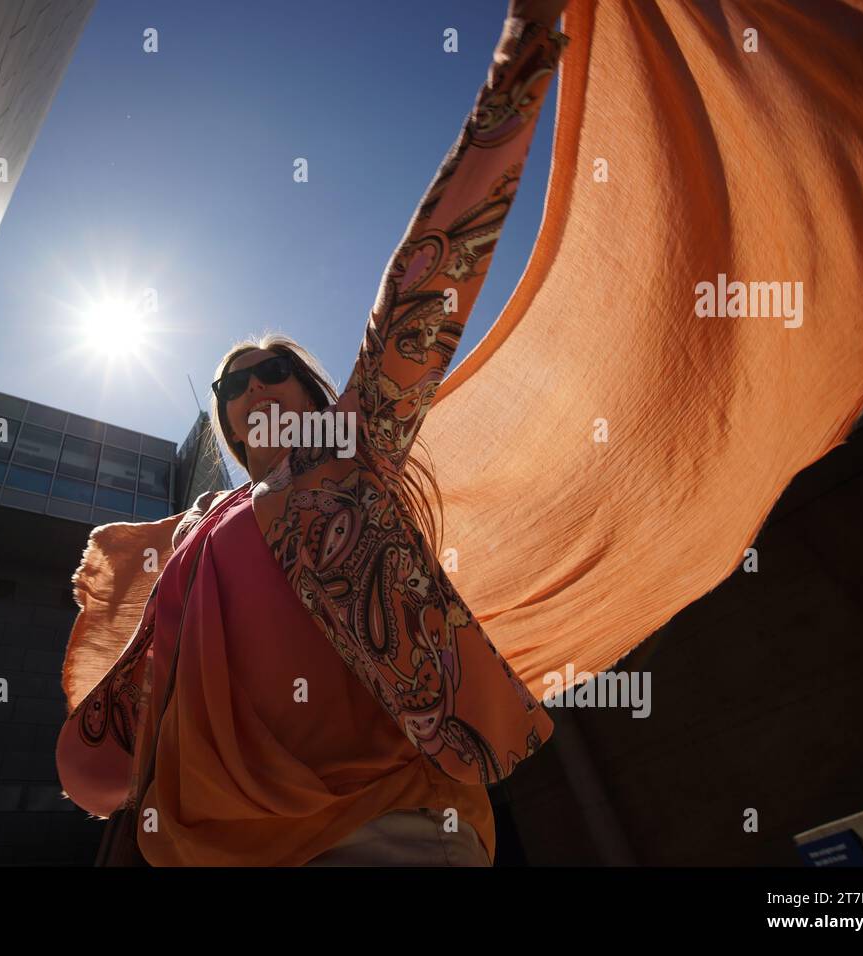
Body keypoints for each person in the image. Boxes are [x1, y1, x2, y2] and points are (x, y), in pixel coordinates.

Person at [57, 0, 570, 866]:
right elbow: (146, 703)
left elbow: (427, 274)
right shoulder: (197, 528)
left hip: (387, 826)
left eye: (273, 371)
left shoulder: (350, 454)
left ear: (314, 393)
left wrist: (524, 61)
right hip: (202, 848)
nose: (254, 386)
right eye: (233, 381)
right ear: (222, 416)